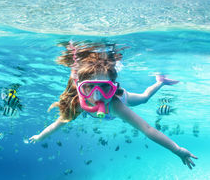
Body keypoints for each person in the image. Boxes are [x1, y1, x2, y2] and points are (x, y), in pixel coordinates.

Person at [29, 42, 198, 170]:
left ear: (113, 87)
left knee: (145, 98)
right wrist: (40, 136)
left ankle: (160, 82)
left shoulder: (116, 106)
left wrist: (177, 150)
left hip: (123, 98)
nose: (97, 96)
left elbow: (147, 129)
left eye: (104, 87)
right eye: (88, 87)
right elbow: (59, 122)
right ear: (80, 87)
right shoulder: (78, 104)